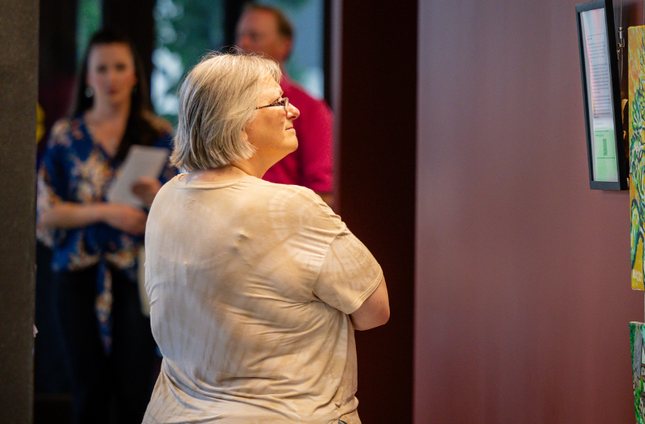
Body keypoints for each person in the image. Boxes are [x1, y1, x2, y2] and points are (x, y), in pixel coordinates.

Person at [143, 52, 389, 424]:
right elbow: (375, 310)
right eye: (279, 102)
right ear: (239, 123)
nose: (294, 112)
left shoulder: (167, 198)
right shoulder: (291, 207)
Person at [36, 28, 175, 424]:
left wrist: (155, 195)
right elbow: (46, 213)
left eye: (120, 67)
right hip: (77, 276)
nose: (111, 77)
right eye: (102, 68)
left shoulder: (159, 135)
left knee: (136, 390)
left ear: (135, 76)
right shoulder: (66, 136)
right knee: (87, 389)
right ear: (88, 77)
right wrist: (106, 212)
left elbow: (185, 209)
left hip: (138, 275)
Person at [235, 3, 336, 209]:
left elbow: (323, 191)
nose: (242, 43)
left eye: (254, 36)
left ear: (285, 45)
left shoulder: (310, 109)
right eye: (240, 35)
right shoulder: (228, 103)